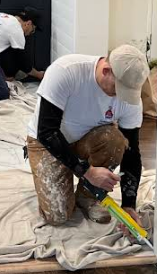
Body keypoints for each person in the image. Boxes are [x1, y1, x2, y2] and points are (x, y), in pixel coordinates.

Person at [26, 45, 149, 226]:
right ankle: (68, 173)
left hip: (87, 140)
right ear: (106, 70)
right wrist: (87, 171)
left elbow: (132, 153)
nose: (120, 97)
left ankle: (88, 195)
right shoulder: (66, 72)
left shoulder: (130, 98)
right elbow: (46, 131)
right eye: (118, 89)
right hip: (48, 142)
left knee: (115, 140)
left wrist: (129, 204)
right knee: (57, 216)